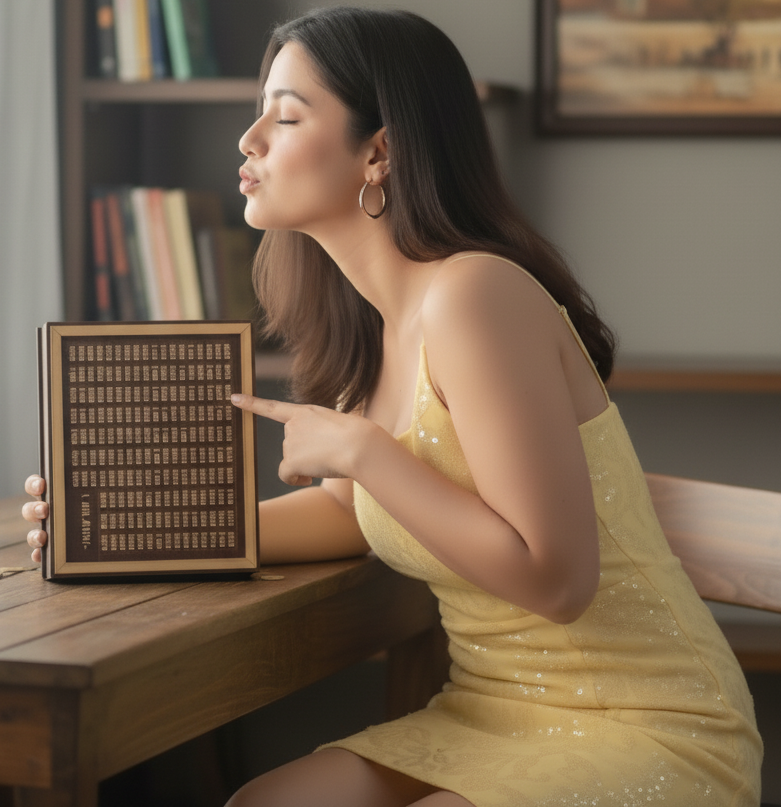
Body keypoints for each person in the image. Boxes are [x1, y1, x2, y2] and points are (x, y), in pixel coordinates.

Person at [23, 7, 762, 807]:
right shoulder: (371, 334)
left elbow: (558, 581)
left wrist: (360, 451)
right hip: (488, 709)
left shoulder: (474, 296)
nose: (249, 140)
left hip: (648, 722)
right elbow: (352, 512)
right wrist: (124, 533)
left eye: (286, 114)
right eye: (257, 111)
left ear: (378, 151)